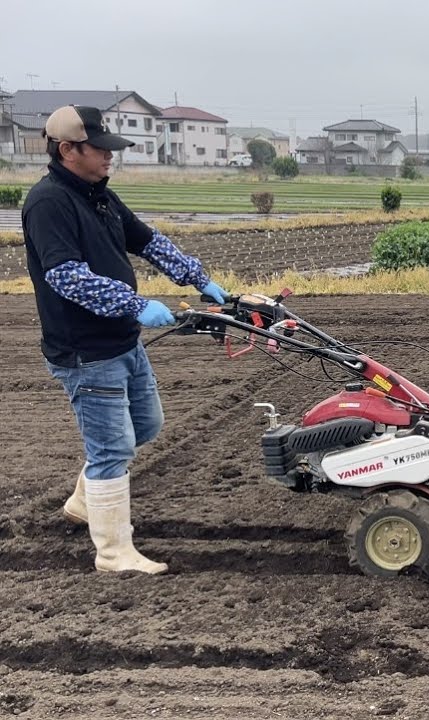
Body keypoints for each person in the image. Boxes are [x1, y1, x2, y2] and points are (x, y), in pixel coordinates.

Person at [22, 105, 228, 575]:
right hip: (86, 350)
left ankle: (83, 499)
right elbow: (66, 276)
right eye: (100, 149)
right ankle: (114, 553)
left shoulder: (98, 195)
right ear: (67, 149)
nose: (109, 157)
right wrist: (134, 303)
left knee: (146, 425)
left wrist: (197, 278)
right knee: (113, 449)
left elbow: (146, 240)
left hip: (122, 341)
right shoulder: (49, 202)